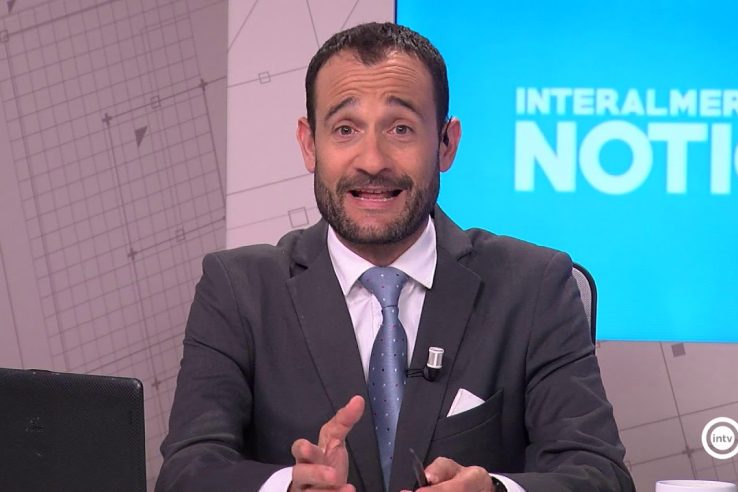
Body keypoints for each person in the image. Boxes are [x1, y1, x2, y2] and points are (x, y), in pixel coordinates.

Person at [157, 22, 635, 492]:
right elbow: (187, 473)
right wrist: (288, 486)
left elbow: (601, 475)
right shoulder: (237, 290)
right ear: (309, 144)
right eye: (345, 129)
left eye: (401, 129)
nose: (372, 160)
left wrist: (494, 490)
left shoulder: (534, 285)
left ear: (446, 144)